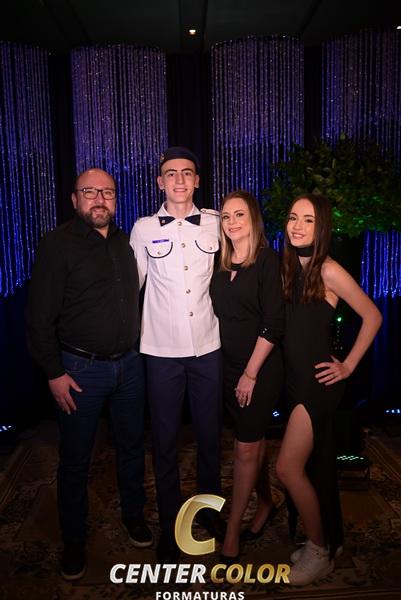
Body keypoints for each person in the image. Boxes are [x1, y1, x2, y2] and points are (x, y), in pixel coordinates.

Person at [26, 168, 152, 581]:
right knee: (76, 461)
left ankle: (133, 517)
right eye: (90, 192)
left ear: (116, 199)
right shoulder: (57, 244)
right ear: (74, 198)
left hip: (129, 366)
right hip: (79, 370)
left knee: (132, 448)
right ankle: (74, 542)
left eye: (107, 192)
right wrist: (53, 373)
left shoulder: (124, 242)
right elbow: (39, 317)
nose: (100, 199)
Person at [276, 193, 382, 586]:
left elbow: (372, 315)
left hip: (317, 385)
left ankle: (319, 550)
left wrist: (348, 365)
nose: (298, 226)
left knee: (287, 468)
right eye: (293, 218)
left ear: (322, 228)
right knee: (316, 468)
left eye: (308, 220)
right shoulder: (291, 266)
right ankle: (330, 541)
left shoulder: (329, 269)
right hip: (294, 382)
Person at [130, 147, 225, 563]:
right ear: (160, 182)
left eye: (187, 173)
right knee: (165, 442)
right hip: (161, 352)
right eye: (171, 174)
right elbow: (130, 287)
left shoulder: (218, 223)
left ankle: (209, 513)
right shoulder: (143, 229)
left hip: (208, 347)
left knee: (210, 438)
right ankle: (172, 525)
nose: (180, 180)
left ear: (197, 180)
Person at [210, 190, 284, 562]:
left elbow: (273, 323)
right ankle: (267, 502)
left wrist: (250, 374)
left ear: (254, 218)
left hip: (259, 370)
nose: (232, 222)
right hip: (227, 367)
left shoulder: (268, 260)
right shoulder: (220, 263)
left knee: (244, 449)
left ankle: (232, 532)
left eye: (239, 214)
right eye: (226, 216)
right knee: (253, 444)